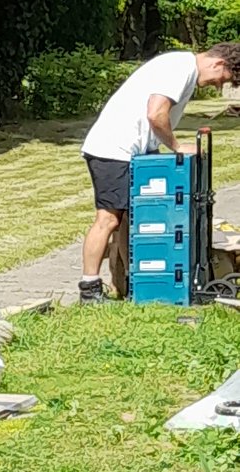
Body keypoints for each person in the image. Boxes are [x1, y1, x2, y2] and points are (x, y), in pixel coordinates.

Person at [80, 41, 240, 298]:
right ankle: (89, 289)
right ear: (218, 63)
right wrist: (176, 146)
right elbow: (156, 114)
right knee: (108, 219)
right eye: (223, 78)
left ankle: (130, 283)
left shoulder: (183, 69)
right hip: (113, 149)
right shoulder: (179, 68)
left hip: (136, 151)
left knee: (134, 218)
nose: (219, 85)